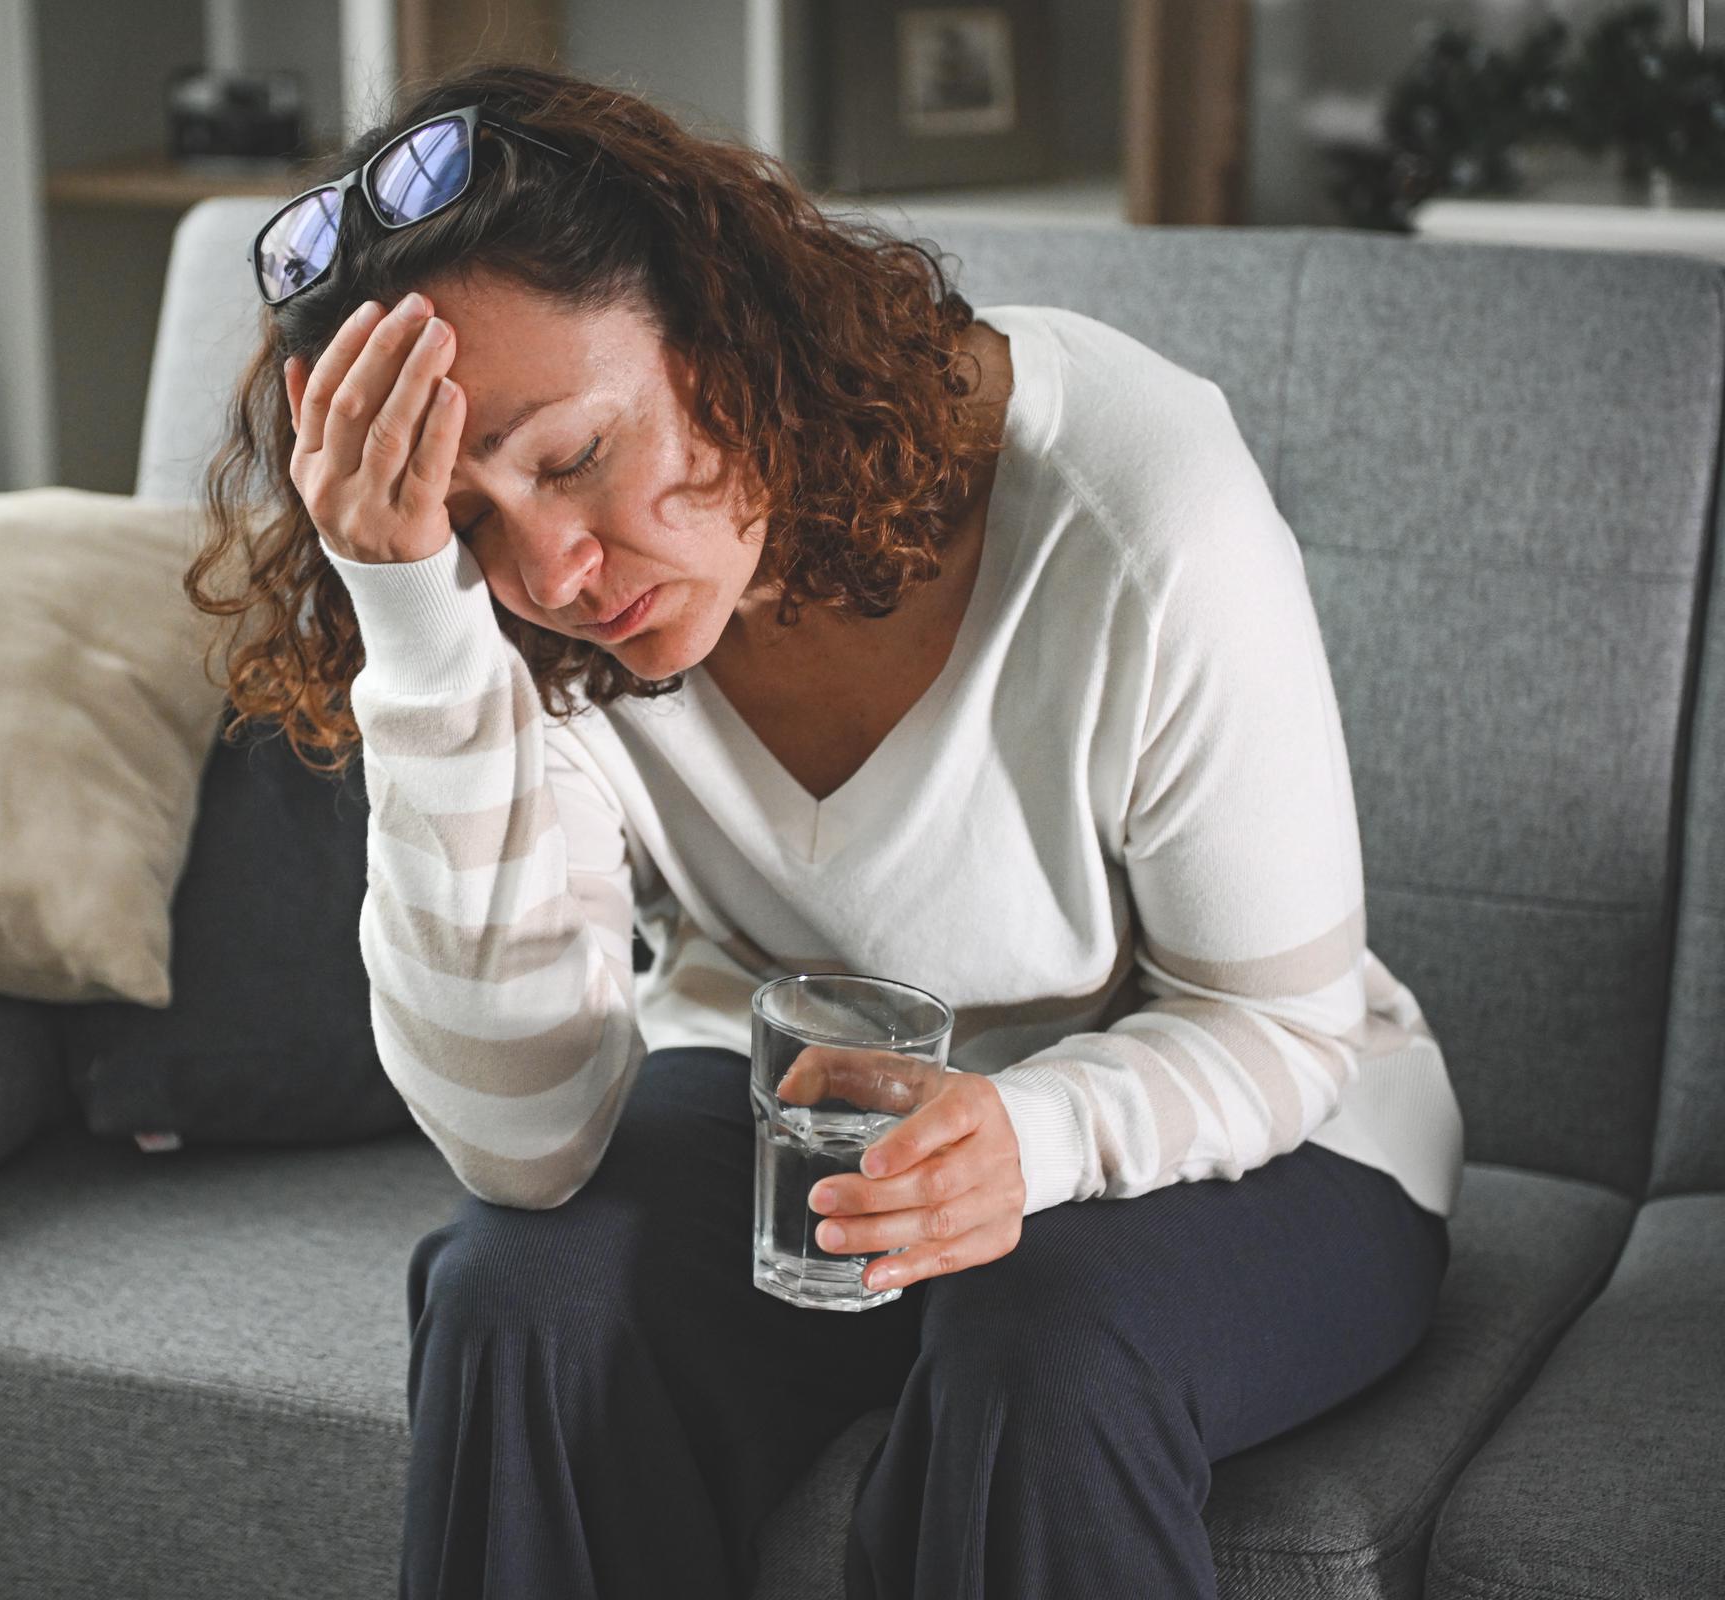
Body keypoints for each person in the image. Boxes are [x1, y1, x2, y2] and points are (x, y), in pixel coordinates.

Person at [189, 61, 1465, 1600]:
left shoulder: (1131, 497)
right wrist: (413, 618)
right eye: (465, 520)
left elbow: (1280, 1022)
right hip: (826, 1141)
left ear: (726, 332)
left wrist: (1035, 1137)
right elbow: (525, 1145)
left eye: (576, 455)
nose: (557, 570)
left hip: (1263, 1135)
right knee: (519, 1293)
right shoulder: (507, 632)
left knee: (1037, 1341)